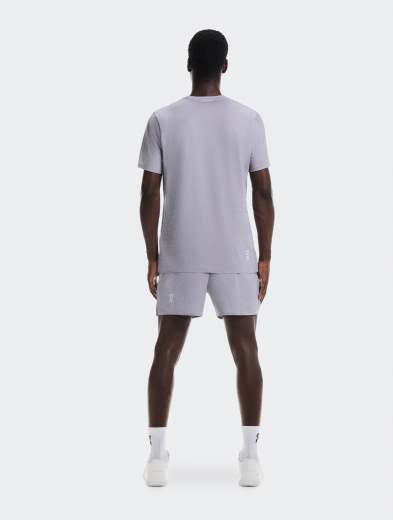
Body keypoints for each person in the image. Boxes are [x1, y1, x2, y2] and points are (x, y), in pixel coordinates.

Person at [138, 29, 275, 487]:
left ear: (188, 63)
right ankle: (250, 457)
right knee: (246, 348)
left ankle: (156, 458)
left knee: (166, 348)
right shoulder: (249, 120)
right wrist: (266, 257)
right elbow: (263, 192)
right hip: (235, 248)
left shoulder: (162, 119)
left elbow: (149, 194)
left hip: (181, 248)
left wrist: (152, 256)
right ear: (226, 66)